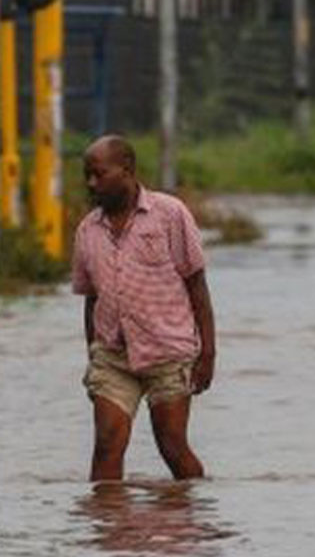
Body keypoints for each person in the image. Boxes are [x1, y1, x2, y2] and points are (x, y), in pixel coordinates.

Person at [71, 135, 216, 481]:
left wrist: (208, 353)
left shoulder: (170, 215)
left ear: (127, 170)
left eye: (99, 174)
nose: (92, 184)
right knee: (106, 445)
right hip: (113, 356)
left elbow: (197, 285)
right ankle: (108, 528)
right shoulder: (87, 231)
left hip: (168, 350)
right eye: (87, 176)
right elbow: (92, 299)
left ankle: (193, 519)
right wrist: (93, 356)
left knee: (171, 446)